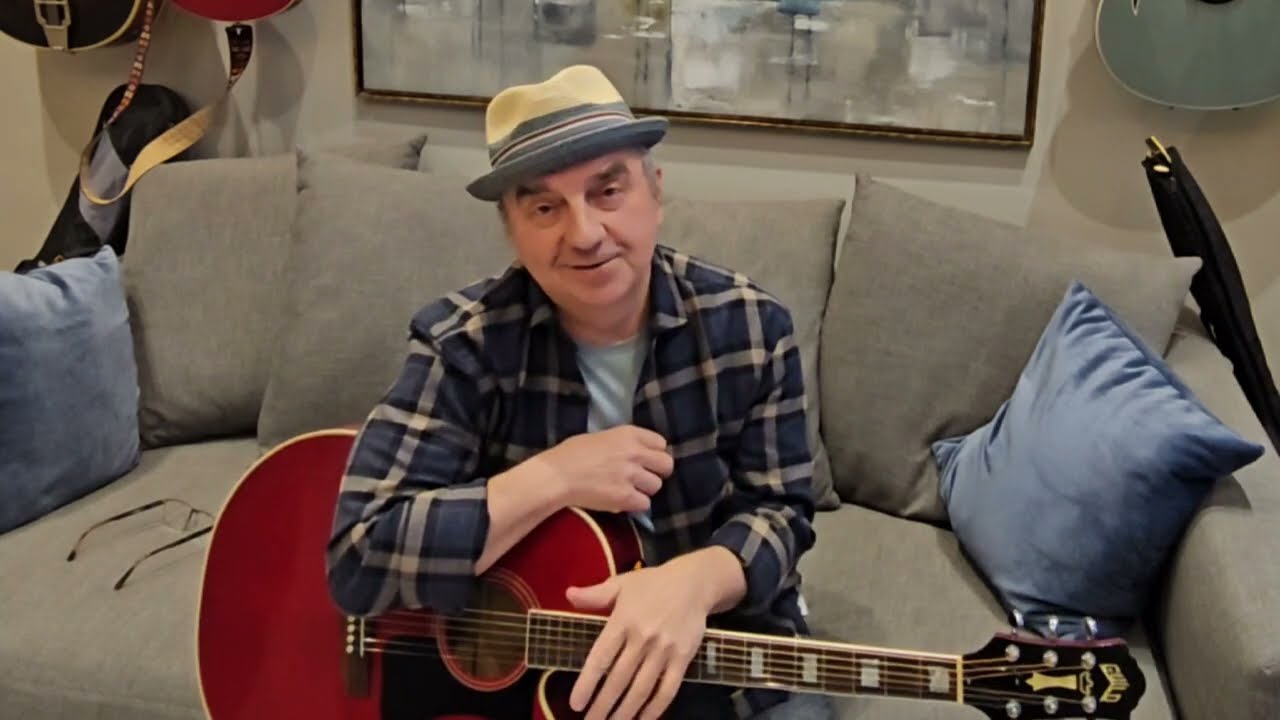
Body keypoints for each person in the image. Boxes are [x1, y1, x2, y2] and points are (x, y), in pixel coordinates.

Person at [325, 64, 830, 720]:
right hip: (537, 674)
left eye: (607, 191)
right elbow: (360, 556)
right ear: (511, 229)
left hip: (715, 647)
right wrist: (554, 478)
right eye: (545, 208)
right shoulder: (463, 346)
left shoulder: (754, 328)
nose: (585, 234)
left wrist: (696, 581)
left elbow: (781, 511)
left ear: (656, 193)